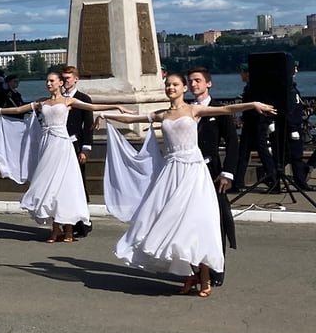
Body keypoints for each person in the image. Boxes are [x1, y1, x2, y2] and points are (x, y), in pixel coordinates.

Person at [103, 73, 274, 297]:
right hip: (171, 172)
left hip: (194, 172)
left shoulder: (193, 110)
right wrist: (104, 115)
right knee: (172, 223)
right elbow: (131, 120)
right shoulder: (162, 114)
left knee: (196, 224)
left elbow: (226, 110)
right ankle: (189, 275)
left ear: (183, 88)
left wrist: (253, 104)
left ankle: (204, 278)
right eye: (167, 85)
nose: (170, 88)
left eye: (175, 84)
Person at [0, 72, 123, 242]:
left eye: (52, 81)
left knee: (65, 185)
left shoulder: (68, 101)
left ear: (59, 83)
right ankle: (55, 229)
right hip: (47, 145)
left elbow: (92, 107)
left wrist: (116, 107)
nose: (48, 83)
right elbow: (19, 109)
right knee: (48, 185)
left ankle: (69, 231)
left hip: (63, 146)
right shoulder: (43, 102)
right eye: (47, 81)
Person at [186, 67, 238, 287]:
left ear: (208, 84)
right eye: (190, 81)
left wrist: (227, 172)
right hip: (188, 173)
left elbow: (233, 143)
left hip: (212, 171)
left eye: (198, 80)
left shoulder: (218, 110)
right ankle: (195, 268)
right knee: (190, 221)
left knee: (216, 221)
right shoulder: (186, 110)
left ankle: (216, 269)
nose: (193, 84)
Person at [60, 65, 95, 238]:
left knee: (78, 184)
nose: (65, 81)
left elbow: (88, 126)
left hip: (75, 146)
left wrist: (85, 149)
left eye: (68, 78)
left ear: (76, 79)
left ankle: (82, 223)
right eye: (63, 78)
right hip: (59, 147)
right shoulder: (58, 98)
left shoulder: (83, 98)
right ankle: (65, 222)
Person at [234, 62, 278, 192]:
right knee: (248, 152)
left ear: (247, 73)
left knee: (256, 152)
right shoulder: (256, 87)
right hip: (255, 122)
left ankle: (273, 180)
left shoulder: (252, 88)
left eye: (242, 72)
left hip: (256, 123)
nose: (241, 75)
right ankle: (239, 182)